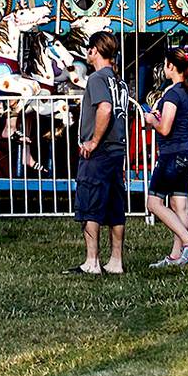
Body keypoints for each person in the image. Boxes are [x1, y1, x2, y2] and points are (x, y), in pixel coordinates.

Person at [64, 31, 130, 275]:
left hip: (99, 150)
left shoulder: (96, 79)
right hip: (117, 148)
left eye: (88, 49)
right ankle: (116, 261)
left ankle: (91, 261)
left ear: (94, 50)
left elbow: (105, 108)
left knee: (91, 202)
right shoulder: (119, 80)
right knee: (115, 206)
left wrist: (92, 141)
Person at [141, 49, 188, 267]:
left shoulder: (171, 94)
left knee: (154, 202)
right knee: (180, 205)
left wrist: (151, 119)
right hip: (187, 151)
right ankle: (177, 256)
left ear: (170, 67)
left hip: (171, 154)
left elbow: (165, 128)